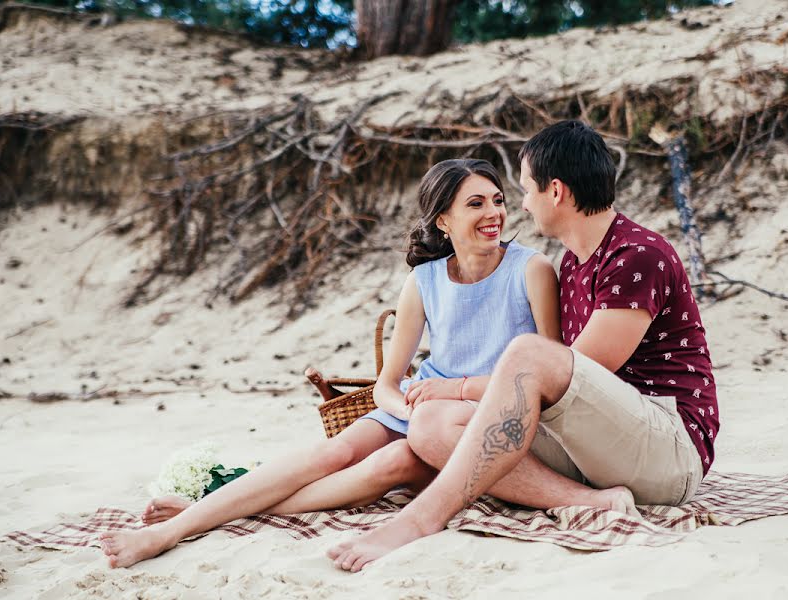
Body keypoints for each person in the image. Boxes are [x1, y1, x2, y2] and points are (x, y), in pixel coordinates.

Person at [99, 158, 636, 569]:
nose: (495, 214)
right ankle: (178, 526)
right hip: (420, 405)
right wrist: (400, 406)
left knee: (389, 467)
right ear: (443, 219)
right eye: (476, 204)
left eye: (497, 200)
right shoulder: (423, 281)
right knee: (336, 451)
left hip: (480, 412)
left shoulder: (532, 269)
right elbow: (388, 381)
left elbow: (545, 365)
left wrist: (444, 401)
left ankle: (205, 510)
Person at [327, 120, 720, 572]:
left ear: (555, 192)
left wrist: (458, 388)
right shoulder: (572, 262)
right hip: (597, 448)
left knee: (527, 352)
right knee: (432, 425)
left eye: (526, 189)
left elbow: (582, 372)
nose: (522, 204)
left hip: (667, 451)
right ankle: (594, 501)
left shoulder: (637, 254)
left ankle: (420, 519)